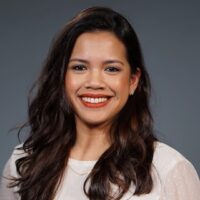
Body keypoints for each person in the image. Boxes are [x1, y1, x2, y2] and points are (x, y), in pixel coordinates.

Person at [0, 6, 199, 200]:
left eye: (111, 69)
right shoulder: (24, 165)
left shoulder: (169, 169)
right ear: (62, 77)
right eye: (79, 67)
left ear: (133, 81)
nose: (94, 83)